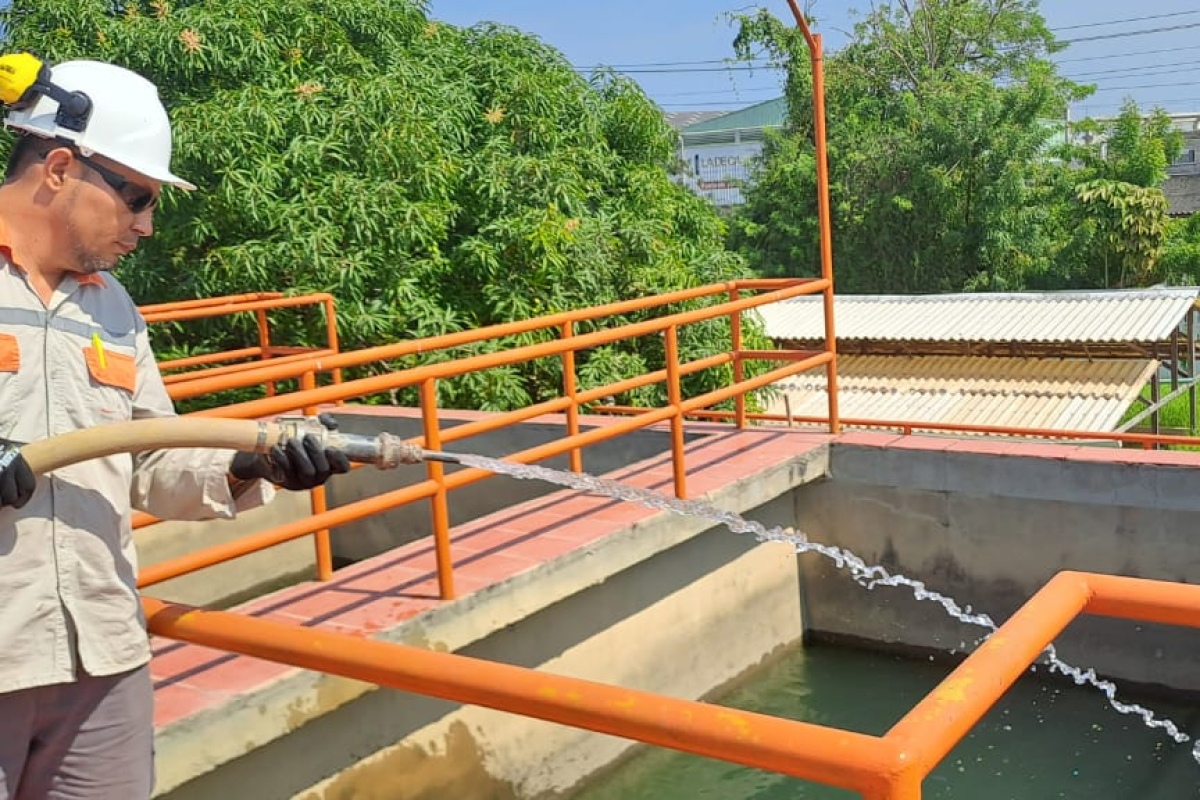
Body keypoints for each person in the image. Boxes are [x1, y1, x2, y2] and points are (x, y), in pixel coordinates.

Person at [0, 58, 350, 800]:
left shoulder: (113, 308)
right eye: (137, 199)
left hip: (102, 659)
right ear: (60, 167)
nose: (146, 226)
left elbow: (147, 456)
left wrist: (249, 465)